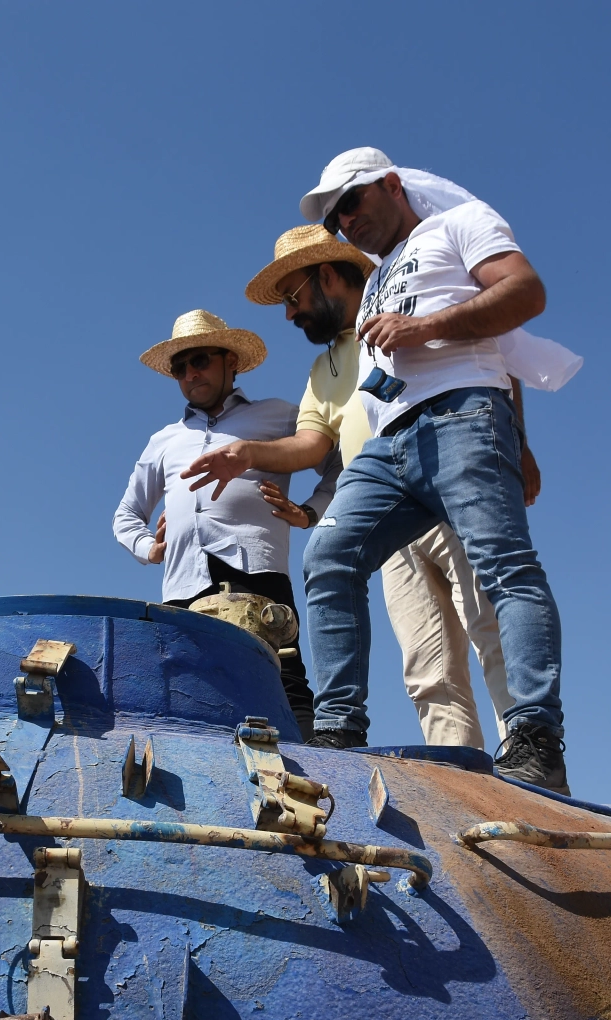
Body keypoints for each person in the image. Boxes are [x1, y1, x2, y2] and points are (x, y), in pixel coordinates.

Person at [302, 147, 571, 791]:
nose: (345, 221)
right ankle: (338, 727)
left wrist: (424, 330)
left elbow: (525, 293)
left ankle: (536, 736)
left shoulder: (460, 225)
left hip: (463, 415)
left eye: (352, 201)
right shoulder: (377, 273)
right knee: (327, 557)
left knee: (504, 566)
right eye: (335, 216)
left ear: (391, 184)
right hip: (391, 439)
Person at [242, 223, 517, 753]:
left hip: (451, 495)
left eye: (293, 296)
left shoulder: (407, 306)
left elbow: (492, 357)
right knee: (426, 671)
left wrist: (516, 446)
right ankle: (464, 792)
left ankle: (532, 780)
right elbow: (311, 447)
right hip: (383, 526)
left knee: (494, 634)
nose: (289, 314)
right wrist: (246, 455)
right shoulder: (325, 369)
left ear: (327, 276)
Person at [112, 310, 325, 739]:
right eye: (180, 367)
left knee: (283, 682)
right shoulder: (164, 441)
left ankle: (314, 771)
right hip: (183, 583)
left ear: (230, 361)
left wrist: (310, 511)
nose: (191, 373)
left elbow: (336, 462)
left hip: (257, 571)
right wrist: (150, 549)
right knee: (189, 691)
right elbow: (125, 515)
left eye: (201, 360)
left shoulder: (279, 416)